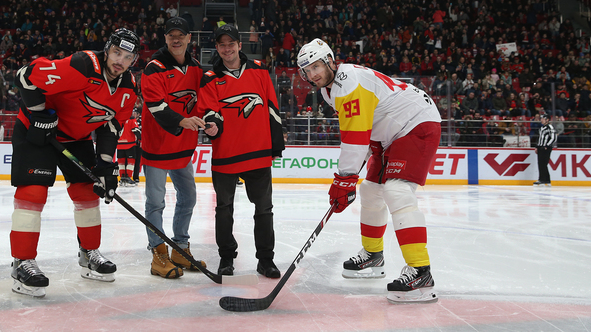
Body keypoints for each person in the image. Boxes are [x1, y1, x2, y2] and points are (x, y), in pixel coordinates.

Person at [296, 38, 441, 304]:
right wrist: (349, 180)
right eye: (307, 71)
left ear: (329, 61)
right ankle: (374, 256)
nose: (313, 74)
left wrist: (343, 180)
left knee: (397, 191)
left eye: (316, 66)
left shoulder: (348, 81)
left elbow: (354, 137)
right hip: (388, 136)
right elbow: (361, 132)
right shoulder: (329, 91)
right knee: (371, 189)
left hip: (416, 123)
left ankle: (421, 274)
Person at [9, 28, 139, 297]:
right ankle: (22, 261)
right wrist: (39, 113)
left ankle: (89, 253)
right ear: (107, 49)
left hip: (75, 137)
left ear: (133, 61)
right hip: (37, 131)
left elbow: (111, 126)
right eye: (116, 52)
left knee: (86, 194)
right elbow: (25, 75)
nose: (120, 61)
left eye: (127, 57)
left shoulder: (128, 88)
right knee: (33, 193)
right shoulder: (83, 65)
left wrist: (105, 165)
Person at [198, 24, 285, 279]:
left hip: (258, 152)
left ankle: (266, 260)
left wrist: (276, 144)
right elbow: (209, 110)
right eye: (221, 44)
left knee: (264, 209)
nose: (227, 48)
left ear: (239, 45)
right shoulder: (210, 78)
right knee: (224, 208)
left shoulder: (259, 70)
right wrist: (213, 127)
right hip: (226, 153)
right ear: (217, 47)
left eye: (231, 43)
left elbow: (271, 106)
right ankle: (226, 257)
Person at [140, 17, 207, 279]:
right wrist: (183, 121)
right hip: (157, 148)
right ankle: (158, 255)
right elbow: (156, 106)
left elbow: (204, 101)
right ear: (165, 39)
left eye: (181, 35)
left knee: (188, 198)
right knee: (155, 203)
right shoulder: (153, 69)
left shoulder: (197, 67)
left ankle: (180, 248)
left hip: (183, 148)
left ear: (190, 38)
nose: (176, 39)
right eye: (171, 35)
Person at [116, 108, 140, 186]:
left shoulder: (117, 118)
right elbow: (135, 130)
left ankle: (122, 178)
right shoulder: (131, 119)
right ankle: (128, 177)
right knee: (130, 161)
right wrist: (141, 139)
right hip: (130, 144)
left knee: (121, 162)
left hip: (119, 144)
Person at [534, 114, 556, 186]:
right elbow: (539, 138)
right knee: (541, 163)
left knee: (543, 163)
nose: (541, 120)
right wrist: (537, 147)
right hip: (541, 147)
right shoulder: (541, 128)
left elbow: (553, 138)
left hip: (546, 148)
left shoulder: (550, 127)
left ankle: (543, 179)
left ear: (547, 120)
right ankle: (545, 179)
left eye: (543, 119)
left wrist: (547, 145)